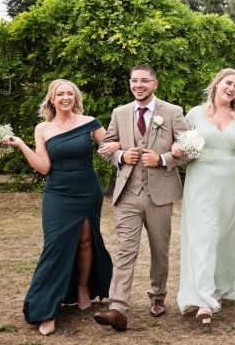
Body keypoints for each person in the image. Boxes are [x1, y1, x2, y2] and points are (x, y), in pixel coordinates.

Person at [3, 79, 115, 336]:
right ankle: (46, 310)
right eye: (60, 94)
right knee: (55, 246)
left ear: (75, 98)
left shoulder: (91, 122)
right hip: (58, 193)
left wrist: (117, 147)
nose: (65, 97)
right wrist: (21, 145)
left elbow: (110, 147)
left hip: (88, 189)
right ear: (52, 99)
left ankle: (84, 289)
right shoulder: (42, 128)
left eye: (69, 93)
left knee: (87, 241)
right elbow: (44, 167)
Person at [93, 65, 189, 332]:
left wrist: (163, 159)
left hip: (159, 194)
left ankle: (158, 297)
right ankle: (118, 308)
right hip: (127, 194)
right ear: (130, 83)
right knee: (125, 251)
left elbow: (190, 150)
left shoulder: (172, 112)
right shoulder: (119, 113)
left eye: (145, 81)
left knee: (159, 250)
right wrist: (122, 156)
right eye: (134, 80)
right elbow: (107, 147)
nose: (139, 85)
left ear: (155, 84)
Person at [171, 68, 235, 324]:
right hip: (201, 181)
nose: (232, 88)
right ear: (216, 84)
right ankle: (204, 298)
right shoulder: (195, 114)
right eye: (228, 83)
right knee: (203, 235)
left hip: (233, 183)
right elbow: (181, 146)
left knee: (226, 237)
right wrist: (177, 149)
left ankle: (221, 288)